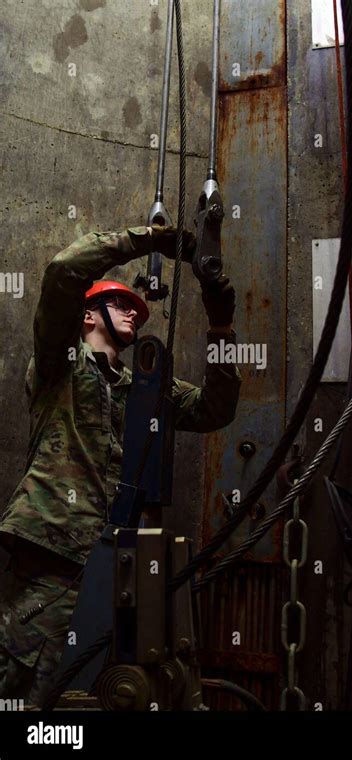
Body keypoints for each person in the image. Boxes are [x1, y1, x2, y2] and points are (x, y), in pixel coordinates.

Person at [0, 223, 242, 705]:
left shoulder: (146, 387)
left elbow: (216, 409)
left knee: (94, 692)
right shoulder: (59, 364)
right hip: (50, 554)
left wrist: (221, 326)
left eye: (138, 309)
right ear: (88, 315)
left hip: (117, 562)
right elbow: (64, 271)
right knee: (23, 686)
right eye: (121, 304)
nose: (135, 312)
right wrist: (148, 240)